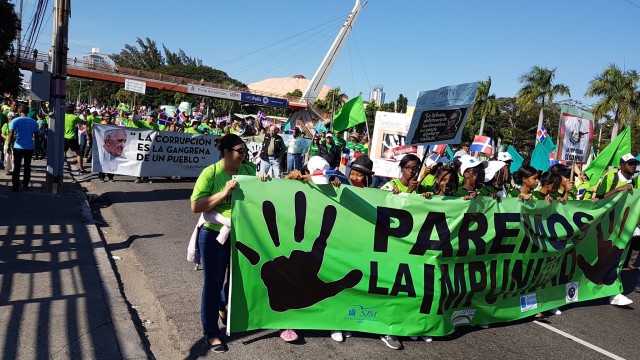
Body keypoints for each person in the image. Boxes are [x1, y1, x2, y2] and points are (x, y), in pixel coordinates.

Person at [190, 134, 266, 353]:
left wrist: (262, 180)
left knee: (238, 279)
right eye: (239, 151)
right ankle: (211, 333)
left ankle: (223, 303)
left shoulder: (248, 171)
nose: (244, 156)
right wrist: (224, 192)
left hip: (242, 234)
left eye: (246, 152)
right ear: (225, 152)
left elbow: (261, 195)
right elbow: (196, 206)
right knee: (212, 284)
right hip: (214, 233)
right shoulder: (211, 173)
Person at [594, 153, 639, 307]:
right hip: (607, 223)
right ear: (621, 165)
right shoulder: (611, 177)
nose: (633, 166)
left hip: (625, 225)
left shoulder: (636, 180)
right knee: (601, 254)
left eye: (635, 163)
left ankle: (613, 292)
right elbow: (600, 198)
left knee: (619, 256)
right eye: (630, 163)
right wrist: (620, 189)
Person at [7, 104, 39, 192]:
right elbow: (36, 137)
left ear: (19, 111)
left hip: (18, 147)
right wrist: (37, 149)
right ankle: (25, 185)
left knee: (17, 167)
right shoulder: (34, 122)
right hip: (29, 147)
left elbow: (11, 134)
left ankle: (15, 186)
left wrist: (9, 146)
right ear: (27, 112)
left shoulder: (15, 121)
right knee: (27, 167)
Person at [65, 104, 88, 175]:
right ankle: (81, 169)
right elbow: (85, 123)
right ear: (73, 110)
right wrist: (85, 117)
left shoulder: (63, 116)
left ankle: (63, 168)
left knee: (64, 153)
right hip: (72, 137)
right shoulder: (74, 117)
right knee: (79, 153)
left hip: (64, 137)